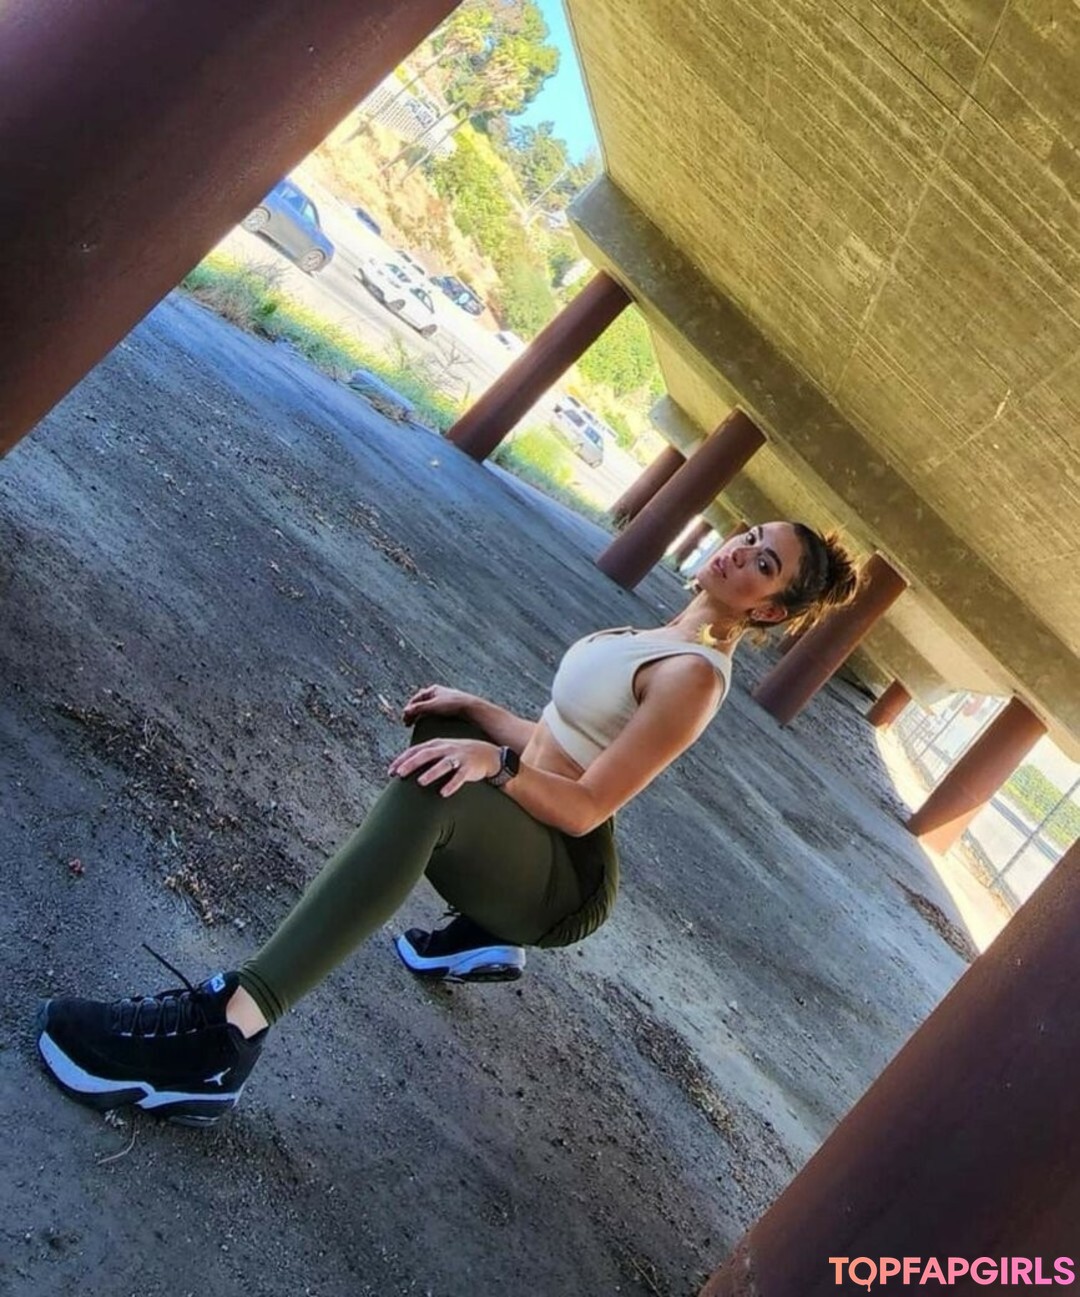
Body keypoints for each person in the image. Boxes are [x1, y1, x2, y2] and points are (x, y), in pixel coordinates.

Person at [36, 521, 858, 1126]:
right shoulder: (657, 633)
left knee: (442, 788)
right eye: (750, 536)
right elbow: (556, 742)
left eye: (763, 564)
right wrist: (478, 714)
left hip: (565, 879)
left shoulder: (694, 678)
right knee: (441, 735)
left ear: (769, 611)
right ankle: (472, 934)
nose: (740, 552)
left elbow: (586, 804)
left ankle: (224, 1037)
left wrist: (492, 761)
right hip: (541, 830)